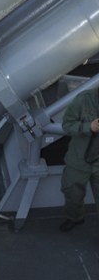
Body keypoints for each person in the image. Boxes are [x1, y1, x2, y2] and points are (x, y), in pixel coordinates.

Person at [59, 86, 99, 231]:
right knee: (72, 194)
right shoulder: (84, 99)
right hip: (79, 161)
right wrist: (89, 127)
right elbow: (67, 125)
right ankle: (75, 218)